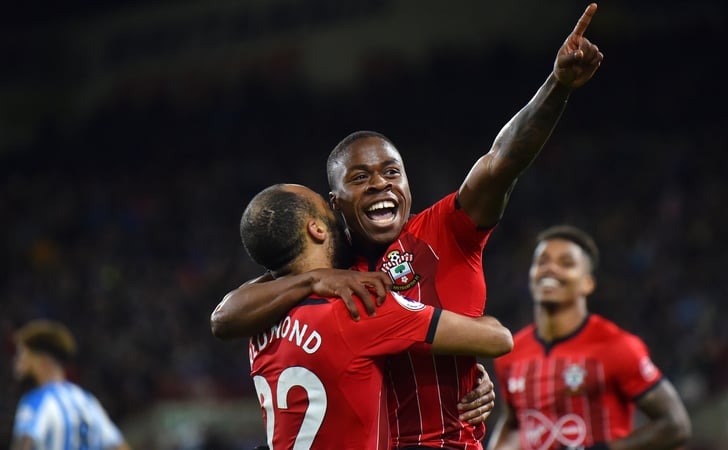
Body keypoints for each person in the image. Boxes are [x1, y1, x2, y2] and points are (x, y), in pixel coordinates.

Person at [211, 4, 603, 448]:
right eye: (361, 178)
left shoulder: (443, 231)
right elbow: (225, 315)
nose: (381, 184)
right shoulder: (331, 266)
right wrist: (317, 279)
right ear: (335, 204)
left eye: (392, 172)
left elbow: (501, 162)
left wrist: (558, 86)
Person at [242, 183, 513, 449]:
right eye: (327, 211)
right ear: (317, 229)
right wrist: (463, 371)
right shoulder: (356, 306)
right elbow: (497, 340)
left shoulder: (258, 323)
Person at [487, 225, 692, 450]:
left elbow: (675, 425)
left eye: (565, 263)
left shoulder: (617, 346)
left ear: (588, 283)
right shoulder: (511, 352)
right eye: (542, 262)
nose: (550, 269)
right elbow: (515, 423)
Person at [10, 319, 131, 450]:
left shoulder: (37, 400)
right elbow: (119, 446)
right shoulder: (87, 400)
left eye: (23, 355)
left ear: (42, 362)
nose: (18, 364)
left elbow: (25, 444)